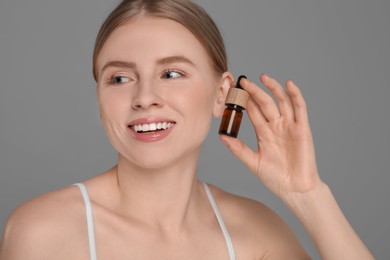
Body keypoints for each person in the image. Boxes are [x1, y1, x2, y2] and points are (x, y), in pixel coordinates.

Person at [0, 0, 374, 259]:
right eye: (119, 78)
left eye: (172, 73)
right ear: (100, 101)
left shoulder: (256, 232)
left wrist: (309, 196)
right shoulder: (44, 230)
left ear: (221, 94)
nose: (145, 97)